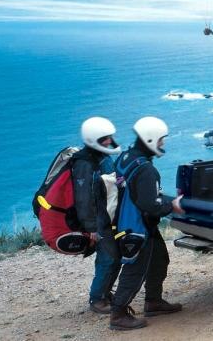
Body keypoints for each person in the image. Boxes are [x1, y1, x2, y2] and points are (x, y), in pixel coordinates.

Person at [109, 116, 185, 331]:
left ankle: (153, 301)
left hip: (130, 221)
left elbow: (136, 192)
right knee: (135, 269)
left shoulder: (125, 157)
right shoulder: (146, 169)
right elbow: (150, 204)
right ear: (150, 139)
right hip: (137, 227)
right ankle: (118, 314)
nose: (163, 143)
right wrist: (173, 206)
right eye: (161, 139)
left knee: (159, 260)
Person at [72, 117, 122, 314]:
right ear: (93, 139)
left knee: (115, 257)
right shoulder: (85, 163)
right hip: (99, 221)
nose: (109, 141)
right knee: (107, 258)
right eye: (104, 138)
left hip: (109, 216)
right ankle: (97, 298)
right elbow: (83, 199)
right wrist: (91, 227)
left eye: (109, 137)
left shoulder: (102, 156)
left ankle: (105, 293)